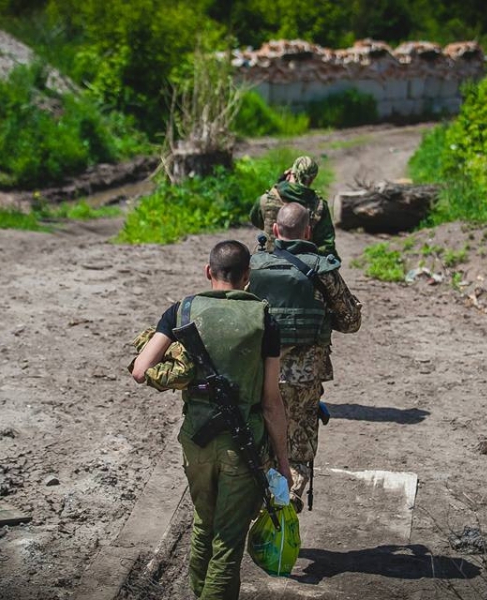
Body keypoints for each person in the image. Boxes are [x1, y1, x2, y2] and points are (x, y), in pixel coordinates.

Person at [131, 240, 292, 600]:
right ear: (247, 276)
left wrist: (182, 372)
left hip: (197, 441)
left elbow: (141, 370)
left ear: (208, 271)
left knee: (204, 525)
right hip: (243, 444)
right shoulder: (264, 319)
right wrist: (283, 462)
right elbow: (271, 402)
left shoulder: (181, 311)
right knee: (228, 542)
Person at [248, 202, 362, 512]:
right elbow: (351, 321)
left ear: (275, 229)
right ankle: (289, 501)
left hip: (260, 372)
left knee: (260, 437)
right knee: (297, 445)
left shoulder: (254, 265)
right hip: (304, 377)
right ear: (308, 231)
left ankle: (258, 500)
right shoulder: (322, 269)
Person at [249, 155, 339, 260]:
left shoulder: (266, 199)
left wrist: (280, 182)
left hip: (269, 262)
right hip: (304, 266)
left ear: (291, 173)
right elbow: (326, 245)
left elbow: (256, 220)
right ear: (312, 179)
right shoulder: (319, 206)